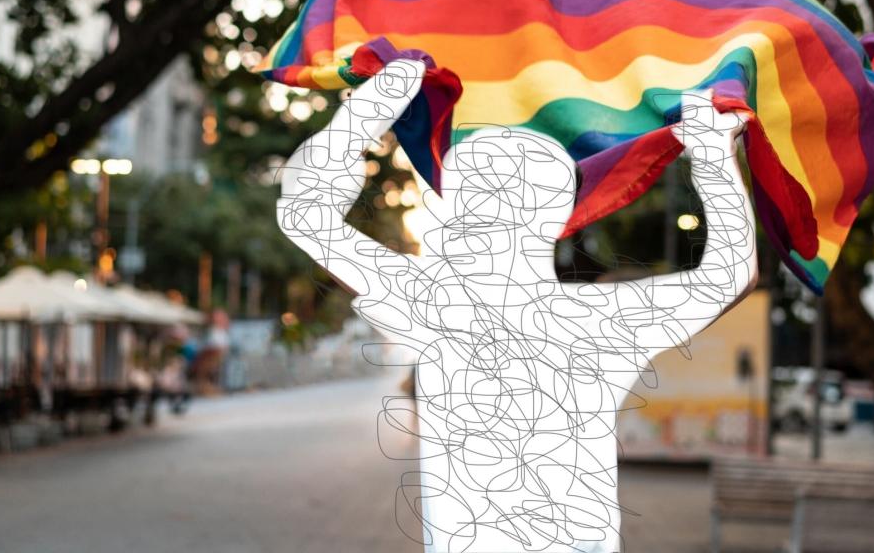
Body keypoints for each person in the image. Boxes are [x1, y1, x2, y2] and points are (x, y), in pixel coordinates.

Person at [277, 60, 757, 553]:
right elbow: (730, 274)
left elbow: (303, 212)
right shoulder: (598, 321)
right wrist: (714, 157)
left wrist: (373, 108)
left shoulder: (435, 305)